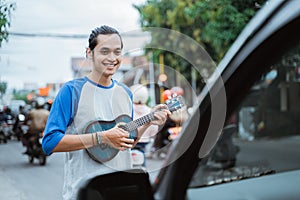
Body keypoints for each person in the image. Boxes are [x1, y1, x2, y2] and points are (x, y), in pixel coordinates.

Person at [41, 25, 170, 200]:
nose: (112, 58)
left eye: (117, 52)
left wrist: (149, 120)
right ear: (89, 53)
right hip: (85, 193)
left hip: (121, 191)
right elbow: (50, 142)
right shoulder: (72, 91)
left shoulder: (125, 93)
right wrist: (102, 137)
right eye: (104, 51)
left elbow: (126, 143)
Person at [130, 84, 159, 164]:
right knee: (142, 165)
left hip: (129, 142)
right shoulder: (150, 111)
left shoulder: (128, 109)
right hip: (144, 143)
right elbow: (154, 131)